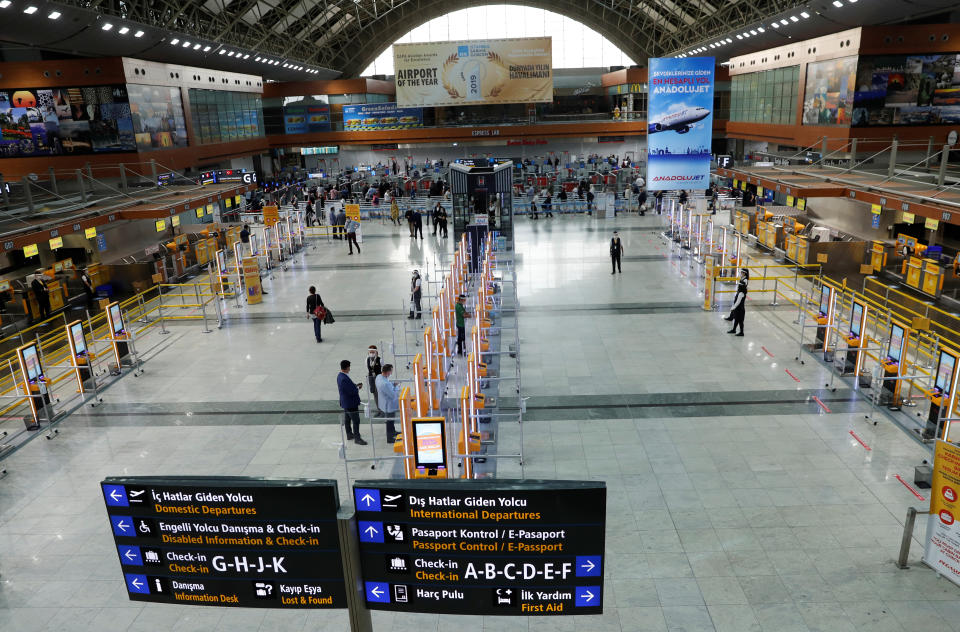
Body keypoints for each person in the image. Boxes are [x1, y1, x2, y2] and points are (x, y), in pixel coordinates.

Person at [337, 360, 366, 445]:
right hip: (350, 403)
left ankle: (349, 434)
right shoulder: (344, 378)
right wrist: (357, 388)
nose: (350, 368)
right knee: (356, 420)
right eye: (349, 367)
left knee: (347, 419)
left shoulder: (340, 376)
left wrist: (355, 386)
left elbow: (347, 389)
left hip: (346, 402)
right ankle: (357, 438)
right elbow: (351, 392)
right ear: (347, 367)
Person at [376, 364, 400, 443]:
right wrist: (397, 387)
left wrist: (392, 385)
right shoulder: (385, 383)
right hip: (388, 405)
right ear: (388, 372)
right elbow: (393, 395)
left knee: (390, 420)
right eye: (391, 371)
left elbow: (387, 388)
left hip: (383, 403)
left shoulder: (379, 377)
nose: (391, 373)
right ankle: (389, 438)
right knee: (390, 421)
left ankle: (393, 431)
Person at [724, 269, 749, 336]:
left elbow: (738, 302)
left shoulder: (741, 293)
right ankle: (734, 330)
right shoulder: (741, 292)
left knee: (740, 320)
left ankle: (741, 332)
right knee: (737, 319)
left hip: (740, 308)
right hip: (739, 308)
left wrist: (733, 307)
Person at [366, 345, 382, 409]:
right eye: (370, 352)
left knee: (379, 394)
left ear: (376, 352)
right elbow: (367, 369)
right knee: (374, 393)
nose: (371, 353)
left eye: (373, 352)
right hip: (371, 378)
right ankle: (378, 408)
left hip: (378, 378)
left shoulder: (379, 360)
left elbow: (383, 369)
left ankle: (382, 409)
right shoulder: (367, 359)